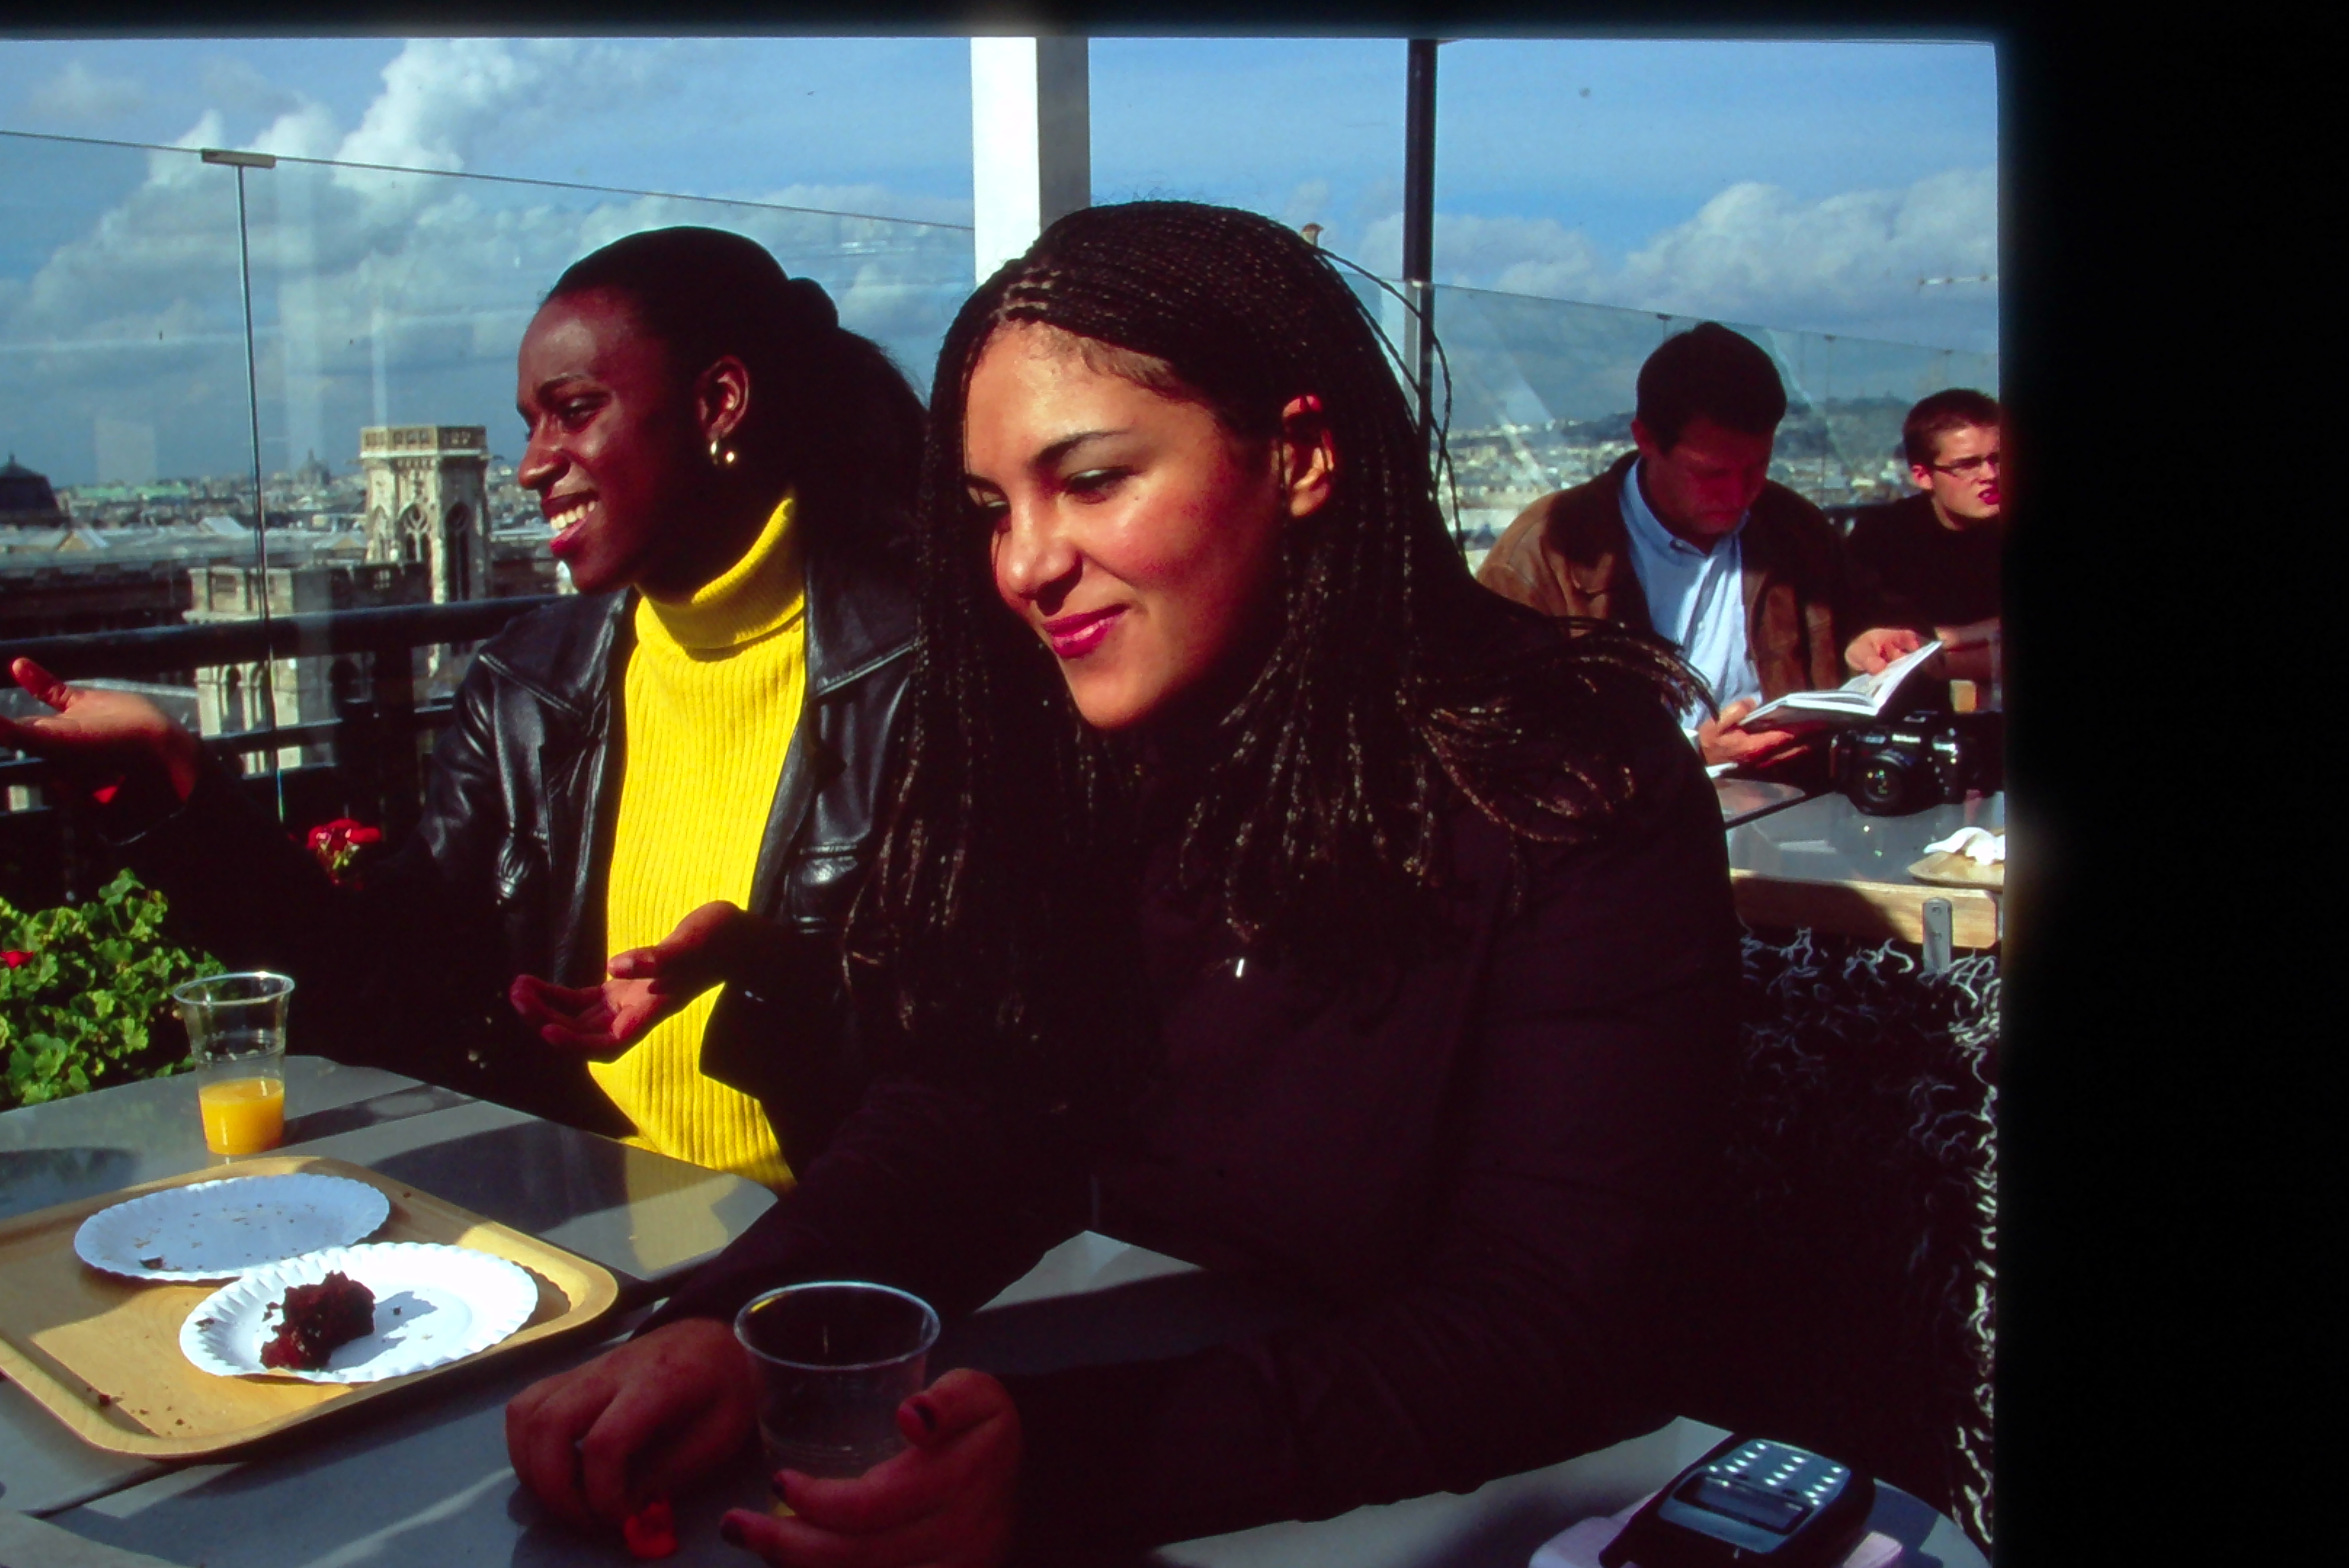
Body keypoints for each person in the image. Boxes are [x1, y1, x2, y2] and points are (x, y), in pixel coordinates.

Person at [504, 202, 1740, 1564]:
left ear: (1303, 456)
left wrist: (1062, 1464)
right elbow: (981, 1107)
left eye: (1088, 481)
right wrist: (745, 1327)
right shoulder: (1080, 749)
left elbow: (1553, 1315)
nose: (1024, 564)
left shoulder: (1565, 777)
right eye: (990, 511)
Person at [0, 227, 924, 1186]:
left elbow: (982, 1066)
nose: (533, 465)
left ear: (716, 404)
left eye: (573, 412)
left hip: (841, 1252)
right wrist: (182, 796)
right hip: (604, 1218)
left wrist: (761, 969)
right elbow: (381, 987)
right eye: (531, 423)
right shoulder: (528, 685)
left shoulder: (924, 675)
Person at [1475, 322, 1916, 770]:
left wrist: (1868, 642)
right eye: (1710, 475)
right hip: (1622, 823)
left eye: (1757, 466)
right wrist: (1690, 756)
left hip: (1789, 803)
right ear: (1646, 440)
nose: (1739, 493)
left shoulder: (1793, 526)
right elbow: (1496, 739)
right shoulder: (1547, 553)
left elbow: (1865, 624)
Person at [1843, 389, 2003, 686]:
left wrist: (1938, 644)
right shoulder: (1883, 537)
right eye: (1968, 465)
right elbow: (1883, 652)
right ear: (1923, 476)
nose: (1990, 475)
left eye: (1999, 459)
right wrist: (1985, 632)